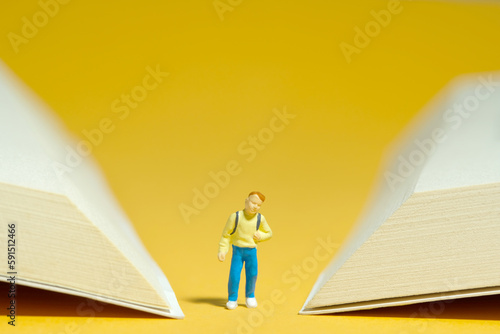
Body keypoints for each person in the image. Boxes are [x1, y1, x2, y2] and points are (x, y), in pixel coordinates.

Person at [218, 191, 273, 309]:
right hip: (237, 251)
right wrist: (223, 250)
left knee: (252, 274)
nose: (255, 206)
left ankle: (250, 296)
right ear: (246, 200)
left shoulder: (260, 218)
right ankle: (232, 298)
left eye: (259, 205)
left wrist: (261, 236)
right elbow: (226, 235)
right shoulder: (236, 217)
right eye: (253, 202)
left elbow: (269, 233)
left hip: (252, 252)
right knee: (234, 275)